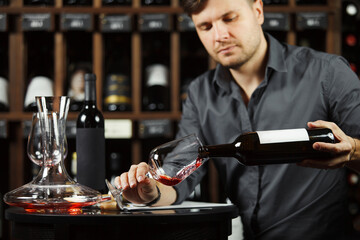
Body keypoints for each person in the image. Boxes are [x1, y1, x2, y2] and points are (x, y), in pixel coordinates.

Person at [115, 0, 360, 239]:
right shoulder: (201, 94)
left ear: (258, 11)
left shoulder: (327, 72)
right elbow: (180, 180)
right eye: (206, 27)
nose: (219, 35)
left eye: (229, 18)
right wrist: (150, 193)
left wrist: (353, 151)